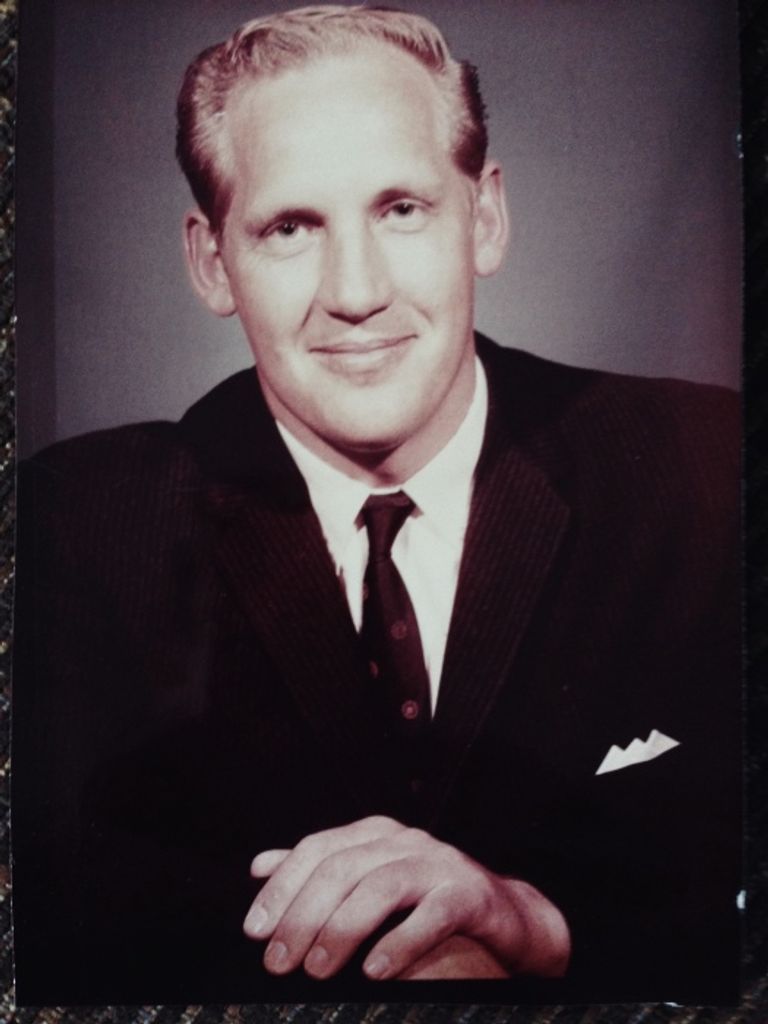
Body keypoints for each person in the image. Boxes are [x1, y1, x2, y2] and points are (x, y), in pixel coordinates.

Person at [12, 4, 740, 1007]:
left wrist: (539, 922)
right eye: (290, 228)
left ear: (484, 218)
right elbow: (59, 928)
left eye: (401, 209)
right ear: (213, 262)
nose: (355, 292)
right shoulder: (71, 529)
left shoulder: (706, 470)